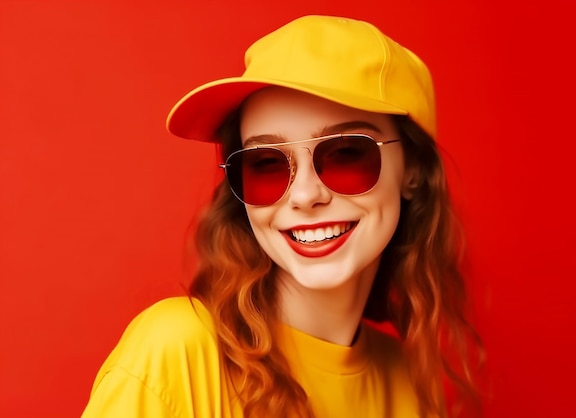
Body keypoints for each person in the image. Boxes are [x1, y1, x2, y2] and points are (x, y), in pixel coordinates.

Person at [82, 15, 482, 418]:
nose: (305, 195)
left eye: (346, 153)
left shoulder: (407, 383)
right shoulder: (177, 353)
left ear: (412, 170)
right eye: (266, 163)